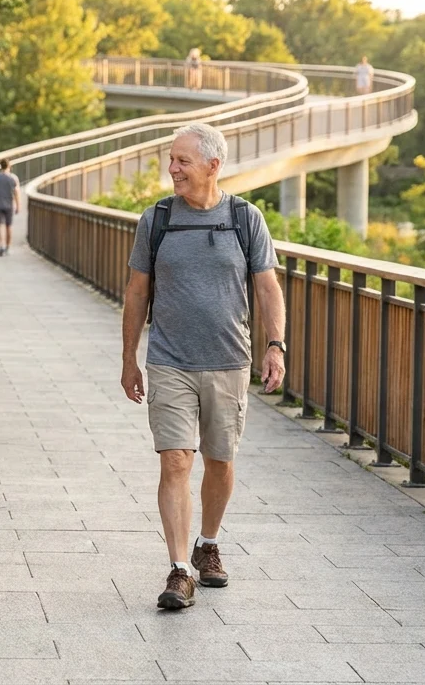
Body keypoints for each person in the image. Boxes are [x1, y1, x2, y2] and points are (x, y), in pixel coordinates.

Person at [119, 122, 287, 611]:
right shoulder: (157, 219)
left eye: (182, 161)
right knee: (175, 460)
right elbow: (136, 291)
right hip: (169, 359)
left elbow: (268, 287)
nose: (172, 169)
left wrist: (275, 345)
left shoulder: (244, 218)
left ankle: (208, 543)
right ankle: (178, 569)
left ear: (214, 165)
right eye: (170, 160)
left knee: (220, 461)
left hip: (229, 359)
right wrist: (129, 358)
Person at [0, 159, 20, 257]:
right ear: (9, 166)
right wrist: (18, 205)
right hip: (9, 205)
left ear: (1, 166)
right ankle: (8, 247)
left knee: (0, 226)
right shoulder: (13, 178)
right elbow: (17, 193)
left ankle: (1, 246)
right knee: (8, 226)